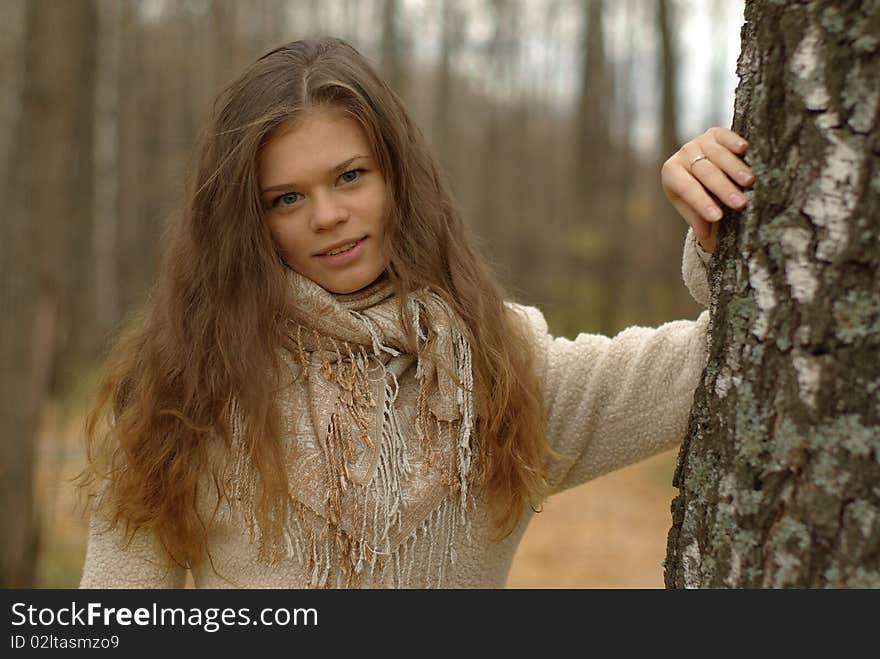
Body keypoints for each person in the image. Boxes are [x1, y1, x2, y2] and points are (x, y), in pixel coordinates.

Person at [77, 37, 754, 589]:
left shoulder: (501, 367)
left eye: (350, 176)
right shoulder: (185, 390)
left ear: (398, 177)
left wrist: (713, 221)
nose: (328, 215)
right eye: (286, 198)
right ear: (248, 222)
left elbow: (727, 359)